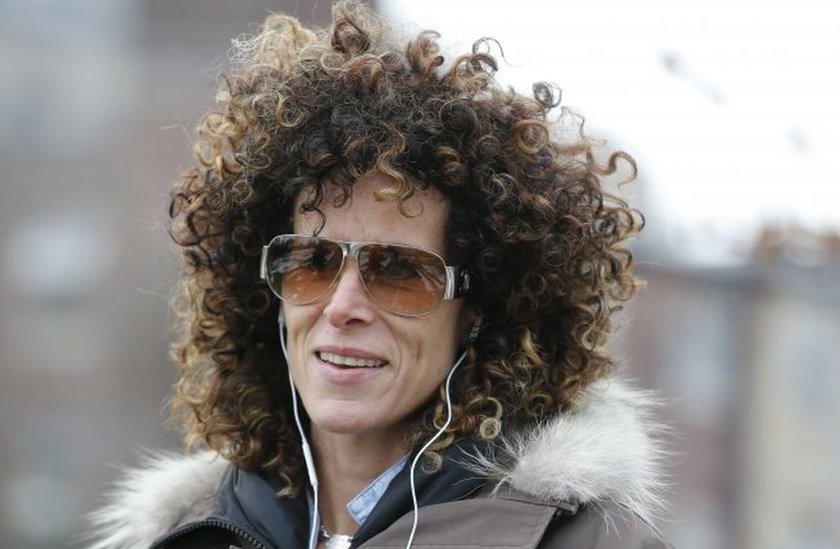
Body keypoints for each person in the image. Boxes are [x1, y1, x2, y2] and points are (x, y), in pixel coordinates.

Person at [87, 2, 672, 548]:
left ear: (480, 311)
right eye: (311, 263)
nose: (342, 306)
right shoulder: (182, 538)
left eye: (396, 271)